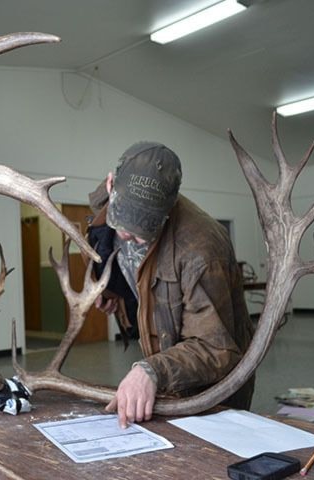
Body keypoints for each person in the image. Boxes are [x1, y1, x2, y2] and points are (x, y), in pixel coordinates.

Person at [87, 142, 255, 428]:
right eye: (122, 220)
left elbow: (217, 348)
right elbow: (106, 242)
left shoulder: (201, 251)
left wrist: (152, 370)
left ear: (168, 209)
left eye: (143, 232)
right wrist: (110, 287)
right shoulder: (107, 196)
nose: (127, 235)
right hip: (167, 368)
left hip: (210, 392)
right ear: (111, 184)